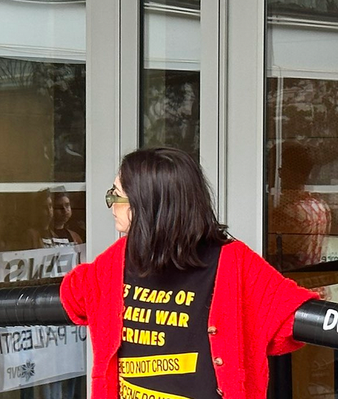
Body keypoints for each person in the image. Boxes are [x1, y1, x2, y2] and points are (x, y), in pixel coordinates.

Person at [60, 147, 318, 399]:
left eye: (116, 196)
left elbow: (289, 318)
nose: (111, 206)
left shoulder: (234, 263)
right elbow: (75, 296)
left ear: (146, 205)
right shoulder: (119, 257)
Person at [267, 140, 330, 269]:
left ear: (286, 172)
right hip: (317, 282)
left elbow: (270, 252)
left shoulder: (288, 212)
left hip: (294, 282)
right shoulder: (321, 206)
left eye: (280, 169)